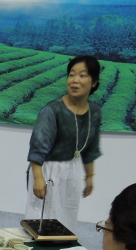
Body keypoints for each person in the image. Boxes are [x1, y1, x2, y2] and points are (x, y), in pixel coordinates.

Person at [24, 55, 102, 234]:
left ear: (94, 82)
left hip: (72, 169)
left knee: (67, 214)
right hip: (47, 169)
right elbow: (37, 148)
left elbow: (90, 147)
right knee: (41, 217)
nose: (75, 80)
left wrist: (89, 176)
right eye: (71, 74)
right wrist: (37, 179)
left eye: (82, 75)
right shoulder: (51, 110)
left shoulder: (94, 111)